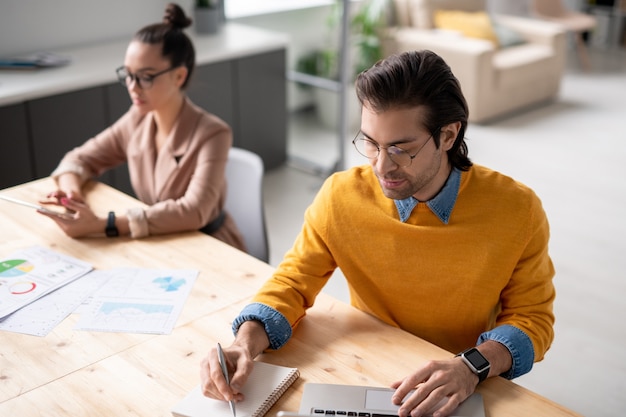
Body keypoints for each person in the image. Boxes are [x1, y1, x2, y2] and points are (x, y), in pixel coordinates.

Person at [200, 50, 555, 417]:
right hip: (368, 372)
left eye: (401, 148)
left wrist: (471, 366)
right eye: (370, 142)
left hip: (462, 383)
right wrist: (244, 344)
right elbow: (292, 282)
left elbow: (533, 320)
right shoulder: (341, 197)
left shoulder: (517, 209)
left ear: (448, 135)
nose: (381, 166)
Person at [39, 3, 245, 251]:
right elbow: (79, 158)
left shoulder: (213, 133)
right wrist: (72, 195)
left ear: (179, 76)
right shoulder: (137, 118)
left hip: (210, 246)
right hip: (159, 242)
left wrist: (103, 224)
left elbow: (193, 211)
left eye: (145, 77)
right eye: (128, 74)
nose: (132, 87)